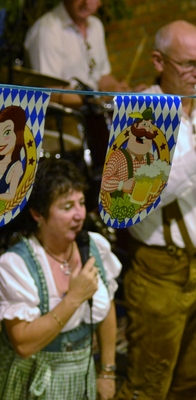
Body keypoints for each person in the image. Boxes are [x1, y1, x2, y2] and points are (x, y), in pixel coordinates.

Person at [0, 158, 121, 400]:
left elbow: (108, 307)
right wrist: (73, 299)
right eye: (66, 207)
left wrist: (107, 371)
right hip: (24, 379)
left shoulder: (94, 246)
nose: (79, 215)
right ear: (37, 214)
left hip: (78, 377)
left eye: (81, 203)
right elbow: (23, 345)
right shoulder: (17, 263)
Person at [116, 20, 196, 399]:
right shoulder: (140, 111)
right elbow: (139, 194)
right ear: (158, 62)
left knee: (188, 386)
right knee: (147, 388)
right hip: (159, 270)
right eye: (188, 64)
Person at [101, 110, 157, 197]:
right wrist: (121, 185)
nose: (146, 129)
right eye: (144, 125)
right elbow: (104, 183)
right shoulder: (118, 156)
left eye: (149, 126)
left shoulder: (151, 158)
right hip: (121, 207)